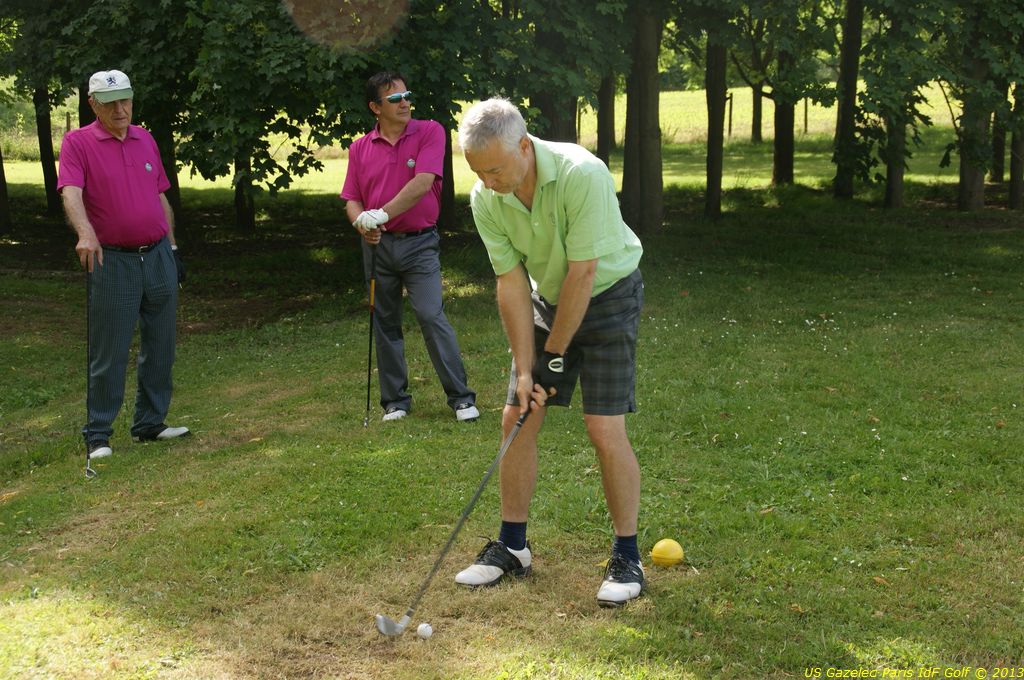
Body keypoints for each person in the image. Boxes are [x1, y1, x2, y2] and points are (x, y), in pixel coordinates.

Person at [454, 98, 646, 607]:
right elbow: (511, 282)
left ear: (523, 146)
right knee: (517, 414)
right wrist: (525, 367)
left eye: (496, 170)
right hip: (550, 299)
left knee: (602, 427)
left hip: (608, 295)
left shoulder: (582, 173)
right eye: (478, 172)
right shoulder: (486, 197)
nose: (488, 181)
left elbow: (584, 272)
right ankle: (513, 546)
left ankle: (627, 555)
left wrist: (552, 357)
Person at [58, 69, 190, 460]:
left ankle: (150, 422)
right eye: (110, 103)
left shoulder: (145, 137)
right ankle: (98, 434)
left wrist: (173, 247)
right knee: (110, 349)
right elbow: (71, 192)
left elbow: (160, 197)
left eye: (126, 100)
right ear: (92, 104)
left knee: (161, 345)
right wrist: (85, 232)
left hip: (158, 255)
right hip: (112, 259)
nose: (120, 109)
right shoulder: (78, 142)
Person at [341, 71, 478, 423]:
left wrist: (381, 215)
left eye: (406, 96)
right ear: (375, 107)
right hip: (377, 249)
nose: (404, 103)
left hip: (420, 244)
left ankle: (461, 398)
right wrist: (362, 224)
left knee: (431, 315)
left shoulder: (430, 131)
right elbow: (352, 199)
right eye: (394, 99)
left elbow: (423, 182)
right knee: (384, 321)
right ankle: (395, 401)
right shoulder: (359, 148)